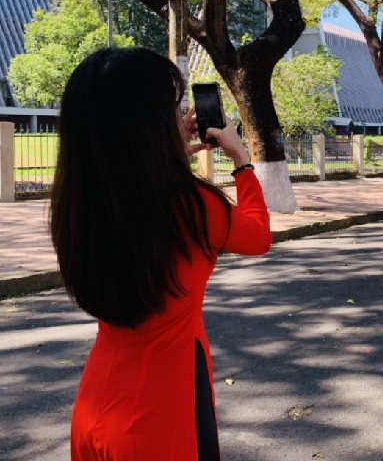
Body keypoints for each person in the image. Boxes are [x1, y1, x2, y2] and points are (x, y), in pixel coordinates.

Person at [50, 48, 272, 461]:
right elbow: (257, 236)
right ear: (147, 124)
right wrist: (241, 161)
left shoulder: (81, 205)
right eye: (173, 107)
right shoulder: (193, 207)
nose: (182, 115)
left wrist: (166, 159)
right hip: (162, 416)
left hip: (95, 408)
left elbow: (137, 190)